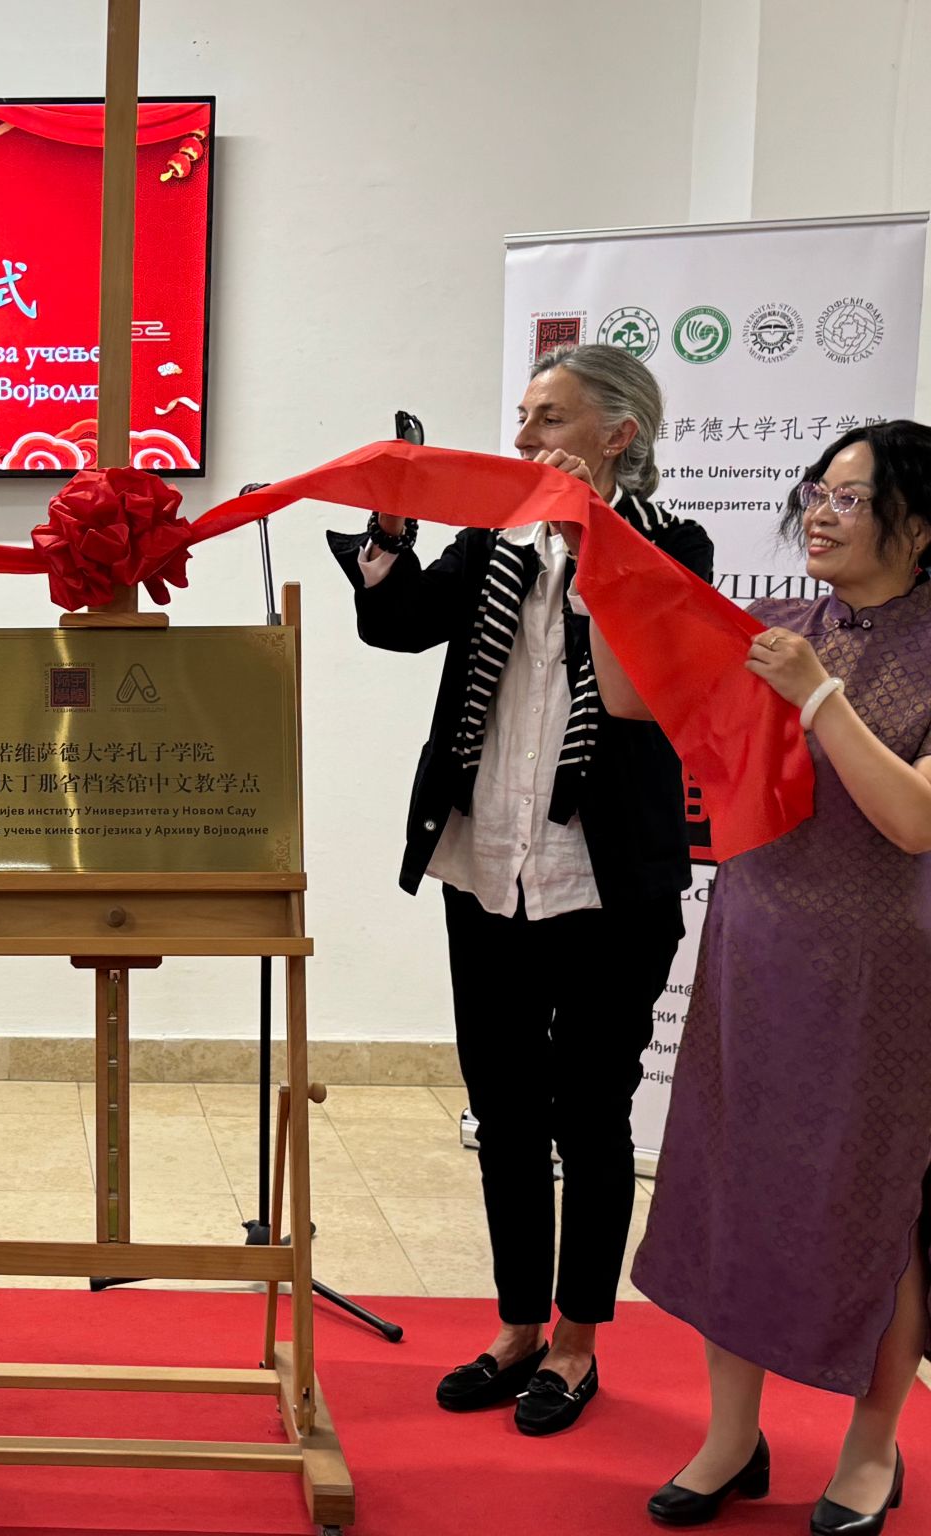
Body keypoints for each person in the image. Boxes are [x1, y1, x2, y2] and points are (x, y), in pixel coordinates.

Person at [327, 343, 712, 1435]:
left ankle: (578, 1341)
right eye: (524, 416)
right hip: (485, 862)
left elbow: (658, 664)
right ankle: (515, 1327)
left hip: (606, 878)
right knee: (502, 1110)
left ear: (617, 435)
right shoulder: (492, 537)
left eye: (548, 418)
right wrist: (391, 526)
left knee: (590, 1113)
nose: (522, 437)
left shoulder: (674, 542)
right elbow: (397, 625)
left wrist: (588, 536)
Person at [625, 420, 931, 1532]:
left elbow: (914, 820)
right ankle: (729, 1437)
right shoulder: (778, 629)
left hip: (886, 972)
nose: (819, 512)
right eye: (816, 490)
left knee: (878, 1204)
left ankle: (869, 1450)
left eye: (850, 497)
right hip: (755, 949)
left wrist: (819, 698)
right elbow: (632, 700)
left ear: (918, 526)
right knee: (733, 1185)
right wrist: (598, 551)